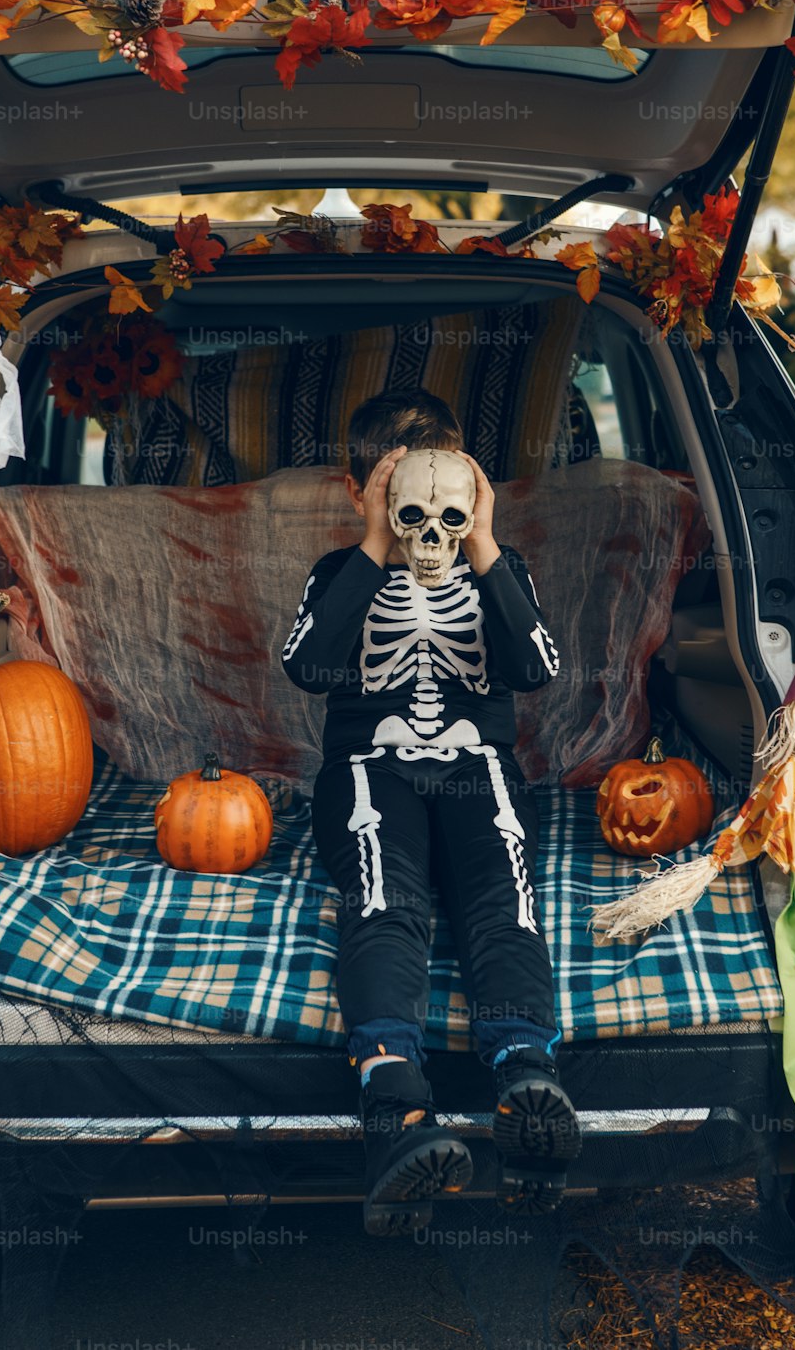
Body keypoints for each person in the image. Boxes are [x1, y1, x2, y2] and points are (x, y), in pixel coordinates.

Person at [281, 389, 579, 1235]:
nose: (430, 533)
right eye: (406, 509)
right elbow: (309, 666)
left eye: (448, 509)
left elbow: (534, 667)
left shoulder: (496, 567)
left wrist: (483, 544)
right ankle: (394, 1105)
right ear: (359, 496)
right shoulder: (340, 574)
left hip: (476, 765)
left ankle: (526, 1072)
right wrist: (376, 545)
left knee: (502, 897)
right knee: (386, 897)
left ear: (474, 493)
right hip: (371, 763)